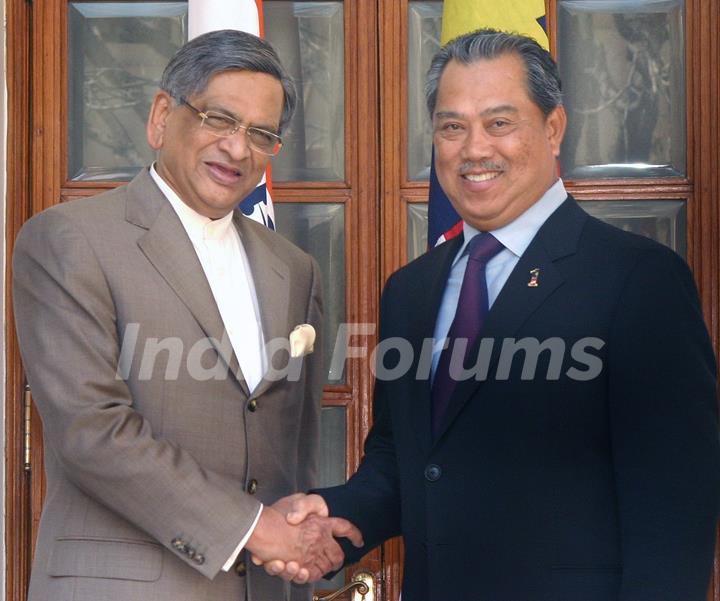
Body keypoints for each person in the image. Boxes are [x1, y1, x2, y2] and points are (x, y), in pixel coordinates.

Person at [261, 29, 720, 600]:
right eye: (452, 127)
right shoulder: (410, 290)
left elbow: (675, 513)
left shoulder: (638, 280)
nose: (473, 148)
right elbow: (406, 461)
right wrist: (338, 515)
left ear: (553, 129)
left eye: (499, 123)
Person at [13, 29, 360, 601]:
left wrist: (301, 526)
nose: (237, 149)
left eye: (261, 134)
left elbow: (290, 446)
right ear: (161, 116)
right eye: (219, 120)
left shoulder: (294, 268)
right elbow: (92, 431)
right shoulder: (70, 240)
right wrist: (259, 528)